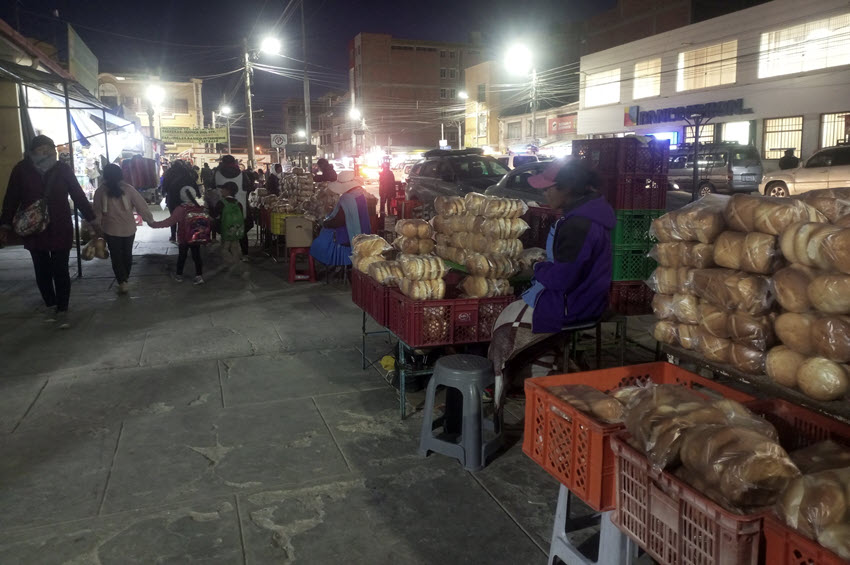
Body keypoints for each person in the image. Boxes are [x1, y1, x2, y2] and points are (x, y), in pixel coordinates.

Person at [488, 159, 615, 407]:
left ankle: (502, 388)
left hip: (573, 305)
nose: (544, 193)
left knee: (503, 326)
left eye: (549, 188)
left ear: (568, 188)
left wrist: (537, 266)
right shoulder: (586, 213)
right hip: (586, 296)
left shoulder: (579, 224)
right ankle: (542, 365)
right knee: (511, 312)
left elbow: (562, 279)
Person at [0, 135, 99, 328]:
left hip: (59, 225)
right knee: (42, 269)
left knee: (60, 268)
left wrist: (92, 219)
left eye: (49, 147)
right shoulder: (21, 170)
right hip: (34, 228)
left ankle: (62, 308)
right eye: (41, 148)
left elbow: (78, 195)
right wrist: (5, 225)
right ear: (32, 151)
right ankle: (50, 303)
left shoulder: (62, 169)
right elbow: (11, 198)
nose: (46, 151)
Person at [93, 163, 154, 294]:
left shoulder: (100, 191)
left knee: (116, 257)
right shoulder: (129, 189)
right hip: (129, 228)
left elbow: (96, 212)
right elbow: (141, 206)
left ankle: (122, 281)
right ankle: (125, 279)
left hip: (110, 229)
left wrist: (96, 228)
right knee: (127, 254)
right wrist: (149, 219)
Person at [310, 170, 371, 267]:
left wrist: (325, 223)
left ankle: (334, 263)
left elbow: (339, 221)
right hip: (364, 232)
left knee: (320, 241)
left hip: (350, 237)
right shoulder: (360, 194)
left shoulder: (347, 198)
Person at [148, 186, 207, 284]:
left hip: (183, 238)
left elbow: (169, 222)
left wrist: (154, 225)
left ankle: (179, 275)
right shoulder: (198, 208)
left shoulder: (180, 209)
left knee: (182, 256)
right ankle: (199, 276)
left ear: (181, 196)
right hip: (196, 236)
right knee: (197, 256)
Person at [214, 155, 252, 256]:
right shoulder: (242, 174)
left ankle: (227, 254)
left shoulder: (217, 173)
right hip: (240, 206)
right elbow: (249, 187)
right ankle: (245, 254)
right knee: (242, 231)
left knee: (225, 230)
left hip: (223, 207)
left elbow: (212, 186)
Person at [212, 182, 248, 278]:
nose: (221, 191)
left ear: (228, 191)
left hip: (226, 230)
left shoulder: (221, 203)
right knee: (235, 249)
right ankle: (237, 267)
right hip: (236, 230)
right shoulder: (238, 203)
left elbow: (215, 216)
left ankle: (234, 264)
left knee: (224, 249)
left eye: (223, 189)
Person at [163, 160, 197, 243]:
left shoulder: (169, 172)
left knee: (173, 216)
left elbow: (164, 184)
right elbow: (194, 182)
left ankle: (173, 236)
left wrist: (164, 193)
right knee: (185, 216)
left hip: (172, 197)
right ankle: (185, 234)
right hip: (185, 197)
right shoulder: (186, 172)